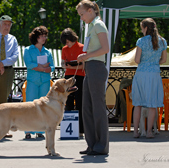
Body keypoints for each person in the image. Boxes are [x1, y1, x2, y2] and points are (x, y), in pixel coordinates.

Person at [76, 0, 109, 155]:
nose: (82, 18)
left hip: (96, 67)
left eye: (82, 14)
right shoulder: (91, 26)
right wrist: (86, 58)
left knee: (98, 108)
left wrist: (86, 55)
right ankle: (92, 144)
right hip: (90, 67)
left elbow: (106, 48)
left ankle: (101, 145)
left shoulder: (98, 25)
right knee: (87, 108)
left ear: (90, 10)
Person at [132, 18, 167, 139]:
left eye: (142, 28)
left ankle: (136, 132)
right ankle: (149, 132)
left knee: (138, 104)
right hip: (154, 74)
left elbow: (137, 60)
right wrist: (153, 62)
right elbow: (164, 60)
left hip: (141, 73)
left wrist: (144, 62)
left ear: (145, 28)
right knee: (152, 104)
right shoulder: (162, 41)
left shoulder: (141, 41)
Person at [23, 26, 55, 139]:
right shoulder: (27, 50)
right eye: (41, 36)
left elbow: (52, 66)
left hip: (45, 81)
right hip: (32, 81)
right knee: (30, 105)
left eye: (45, 36)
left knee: (43, 106)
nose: (43, 38)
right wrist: (43, 67)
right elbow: (29, 64)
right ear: (35, 37)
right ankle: (27, 130)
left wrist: (45, 68)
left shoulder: (48, 52)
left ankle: (40, 131)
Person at [60, 28, 85, 138]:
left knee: (80, 102)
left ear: (72, 38)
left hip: (80, 76)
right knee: (68, 101)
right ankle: (67, 128)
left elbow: (84, 66)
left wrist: (74, 66)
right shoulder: (64, 49)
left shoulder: (82, 47)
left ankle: (81, 129)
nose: (67, 44)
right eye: (65, 42)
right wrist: (65, 66)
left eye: (68, 41)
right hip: (68, 76)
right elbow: (62, 63)